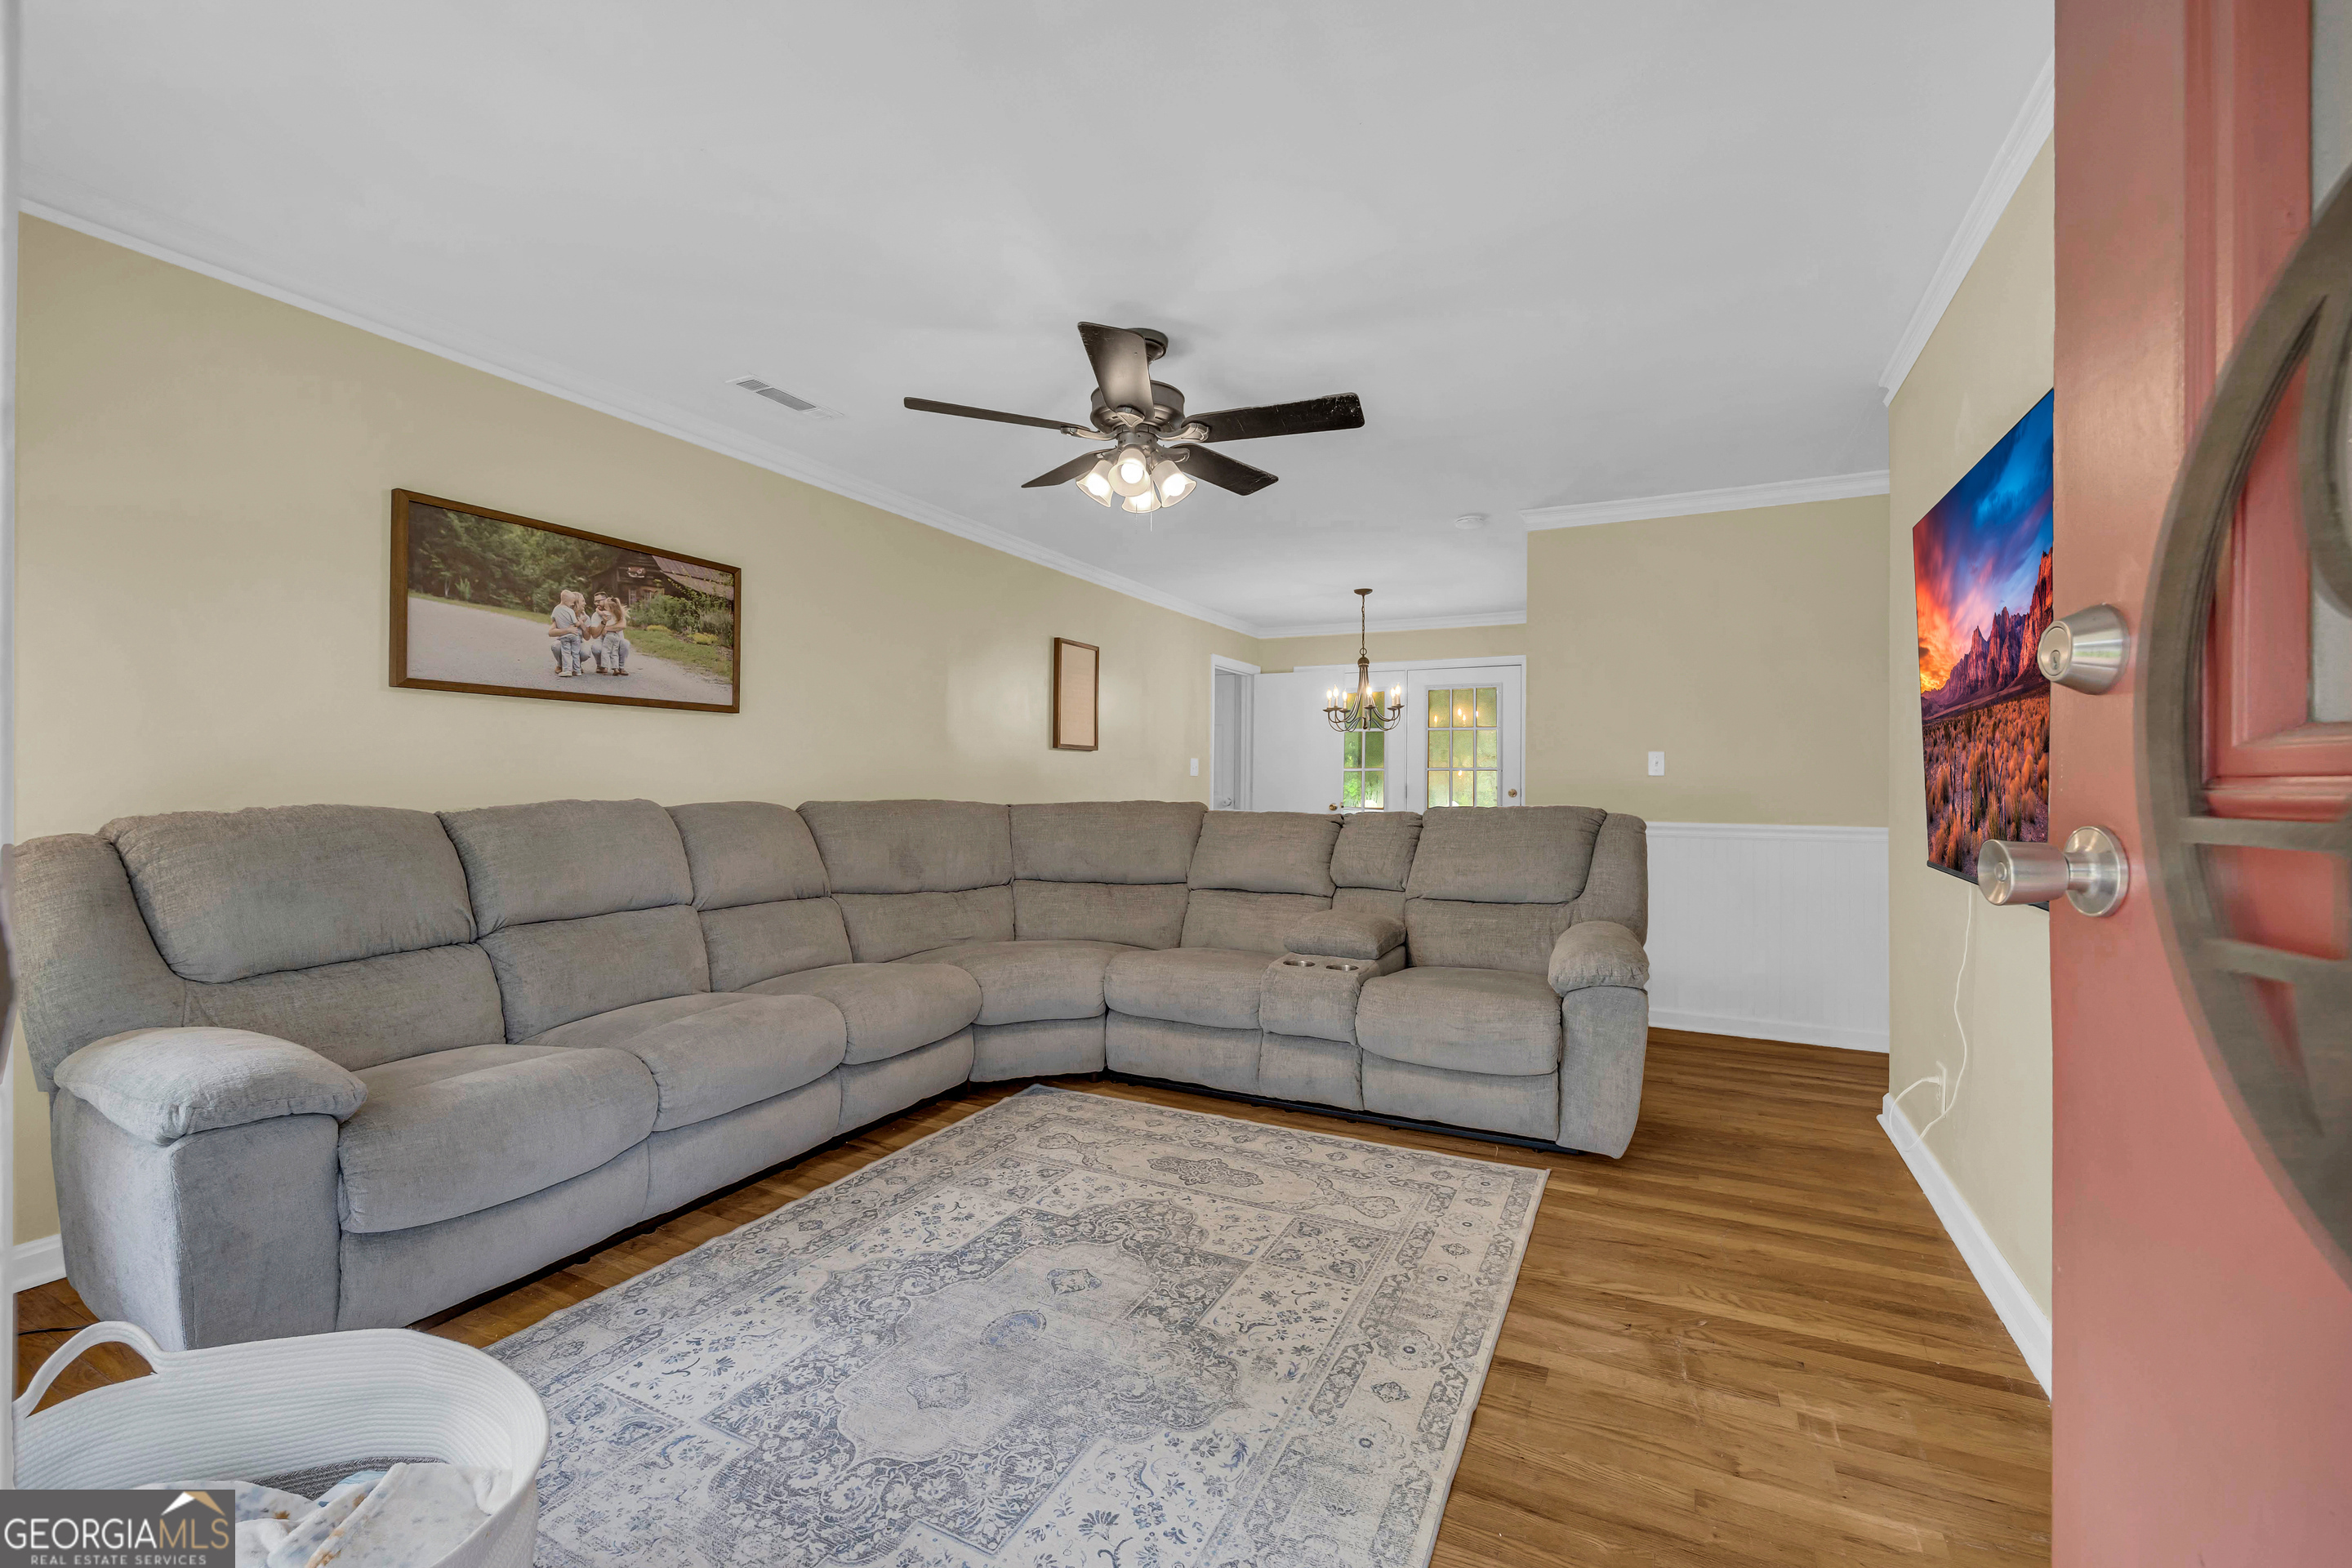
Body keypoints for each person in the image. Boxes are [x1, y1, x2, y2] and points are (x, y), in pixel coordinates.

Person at [546, 590, 586, 677]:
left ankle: (567, 670)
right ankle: (577, 670)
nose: (572, 604)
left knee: (566, 652)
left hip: (566, 637)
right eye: (583, 601)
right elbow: (576, 624)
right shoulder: (571, 611)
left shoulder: (557, 609)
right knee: (575, 652)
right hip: (575, 637)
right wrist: (579, 623)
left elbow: (553, 619)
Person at [599, 595, 633, 676]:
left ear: (609, 608)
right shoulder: (619, 615)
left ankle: (605, 667)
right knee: (614, 652)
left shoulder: (607, 613)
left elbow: (600, 613)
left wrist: (597, 610)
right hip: (617, 636)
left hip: (609, 635)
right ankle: (616, 668)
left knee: (606, 651)